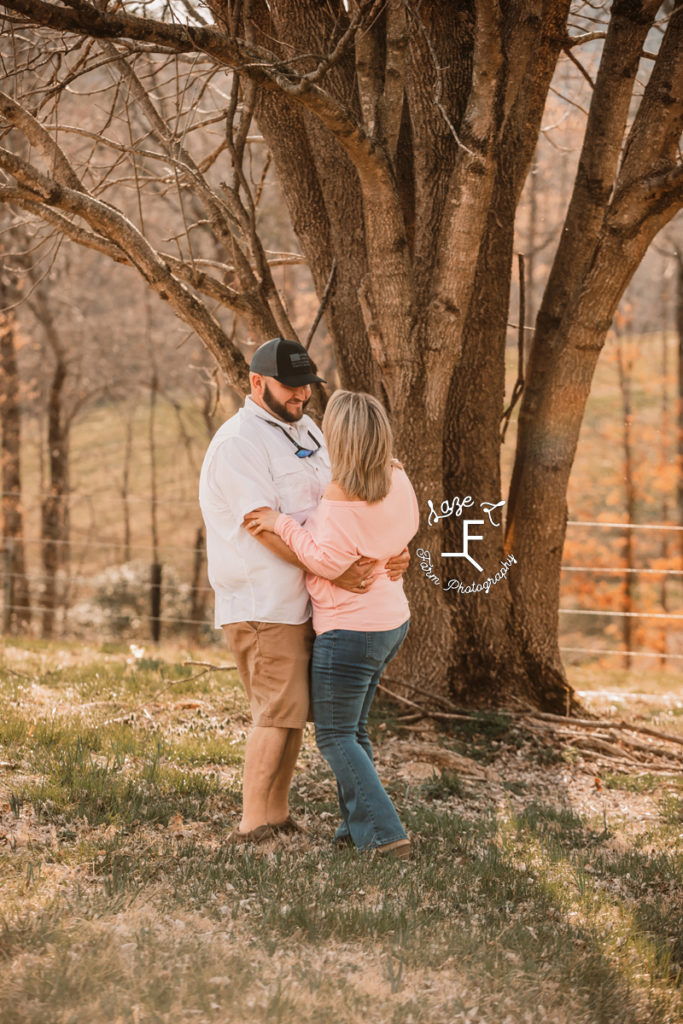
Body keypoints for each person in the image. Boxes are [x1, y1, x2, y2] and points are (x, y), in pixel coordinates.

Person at [198, 338, 409, 845]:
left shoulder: (308, 429)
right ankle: (253, 823)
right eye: (290, 386)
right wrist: (335, 570)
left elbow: (349, 507)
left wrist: (387, 553)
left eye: (306, 387)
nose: (300, 395)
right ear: (256, 382)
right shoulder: (238, 444)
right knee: (275, 713)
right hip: (265, 600)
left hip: (314, 601)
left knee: (293, 712)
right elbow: (262, 526)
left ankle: (277, 812)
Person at [245, 390, 419, 859]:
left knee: (335, 735)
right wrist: (393, 550)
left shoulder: (340, 496)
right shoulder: (398, 477)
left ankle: (386, 836)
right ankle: (356, 829)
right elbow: (407, 528)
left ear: (341, 439)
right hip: (390, 621)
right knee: (355, 731)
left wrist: (279, 524)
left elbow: (322, 559)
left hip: (349, 631)